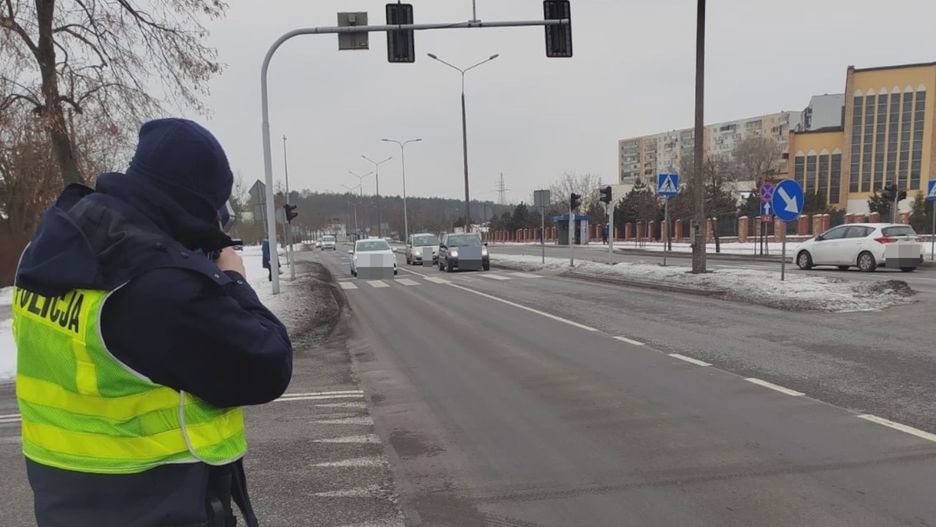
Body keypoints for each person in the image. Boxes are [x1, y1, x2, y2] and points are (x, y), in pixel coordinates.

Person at [12, 118, 293, 527]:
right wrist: (233, 280)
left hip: (64, 503)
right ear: (199, 205)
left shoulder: (50, 248)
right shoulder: (157, 282)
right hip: (160, 504)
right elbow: (268, 364)